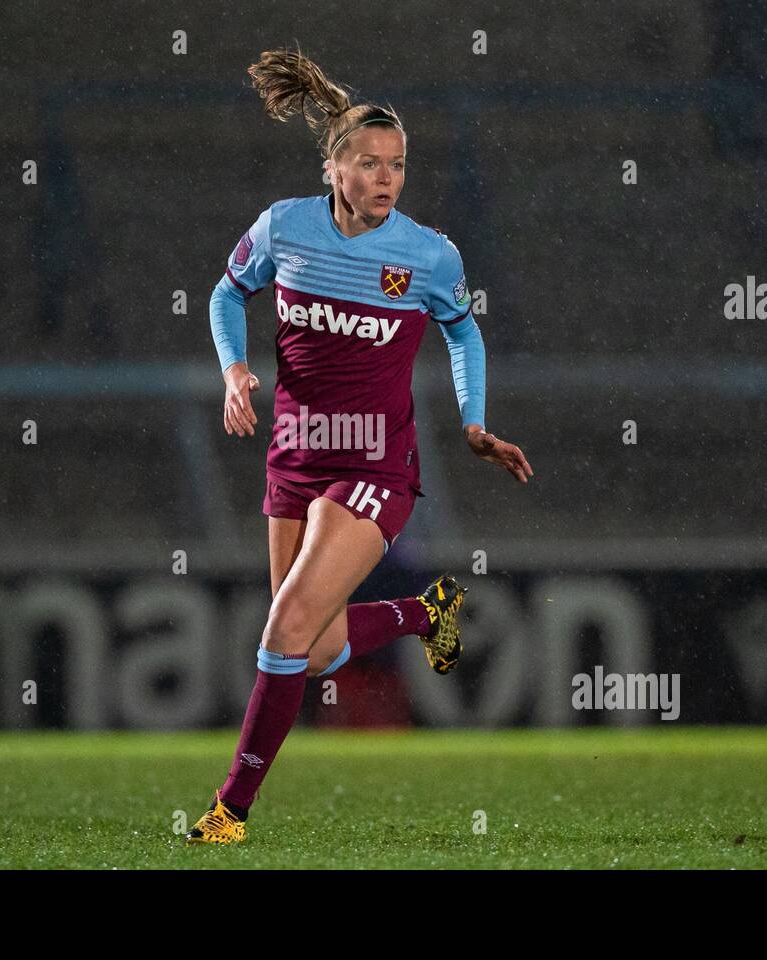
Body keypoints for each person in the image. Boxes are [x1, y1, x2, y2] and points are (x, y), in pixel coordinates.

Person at [188, 48, 533, 845]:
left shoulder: (427, 254)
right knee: (307, 653)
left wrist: (473, 421)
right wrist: (235, 370)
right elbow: (226, 290)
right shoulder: (285, 227)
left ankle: (230, 811)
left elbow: (464, 329)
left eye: (399, 165)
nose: (387, 178)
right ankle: (428, 613)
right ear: (333, 168)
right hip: (295, 454)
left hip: (378, 462)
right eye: (370, 163)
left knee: (281, 633)